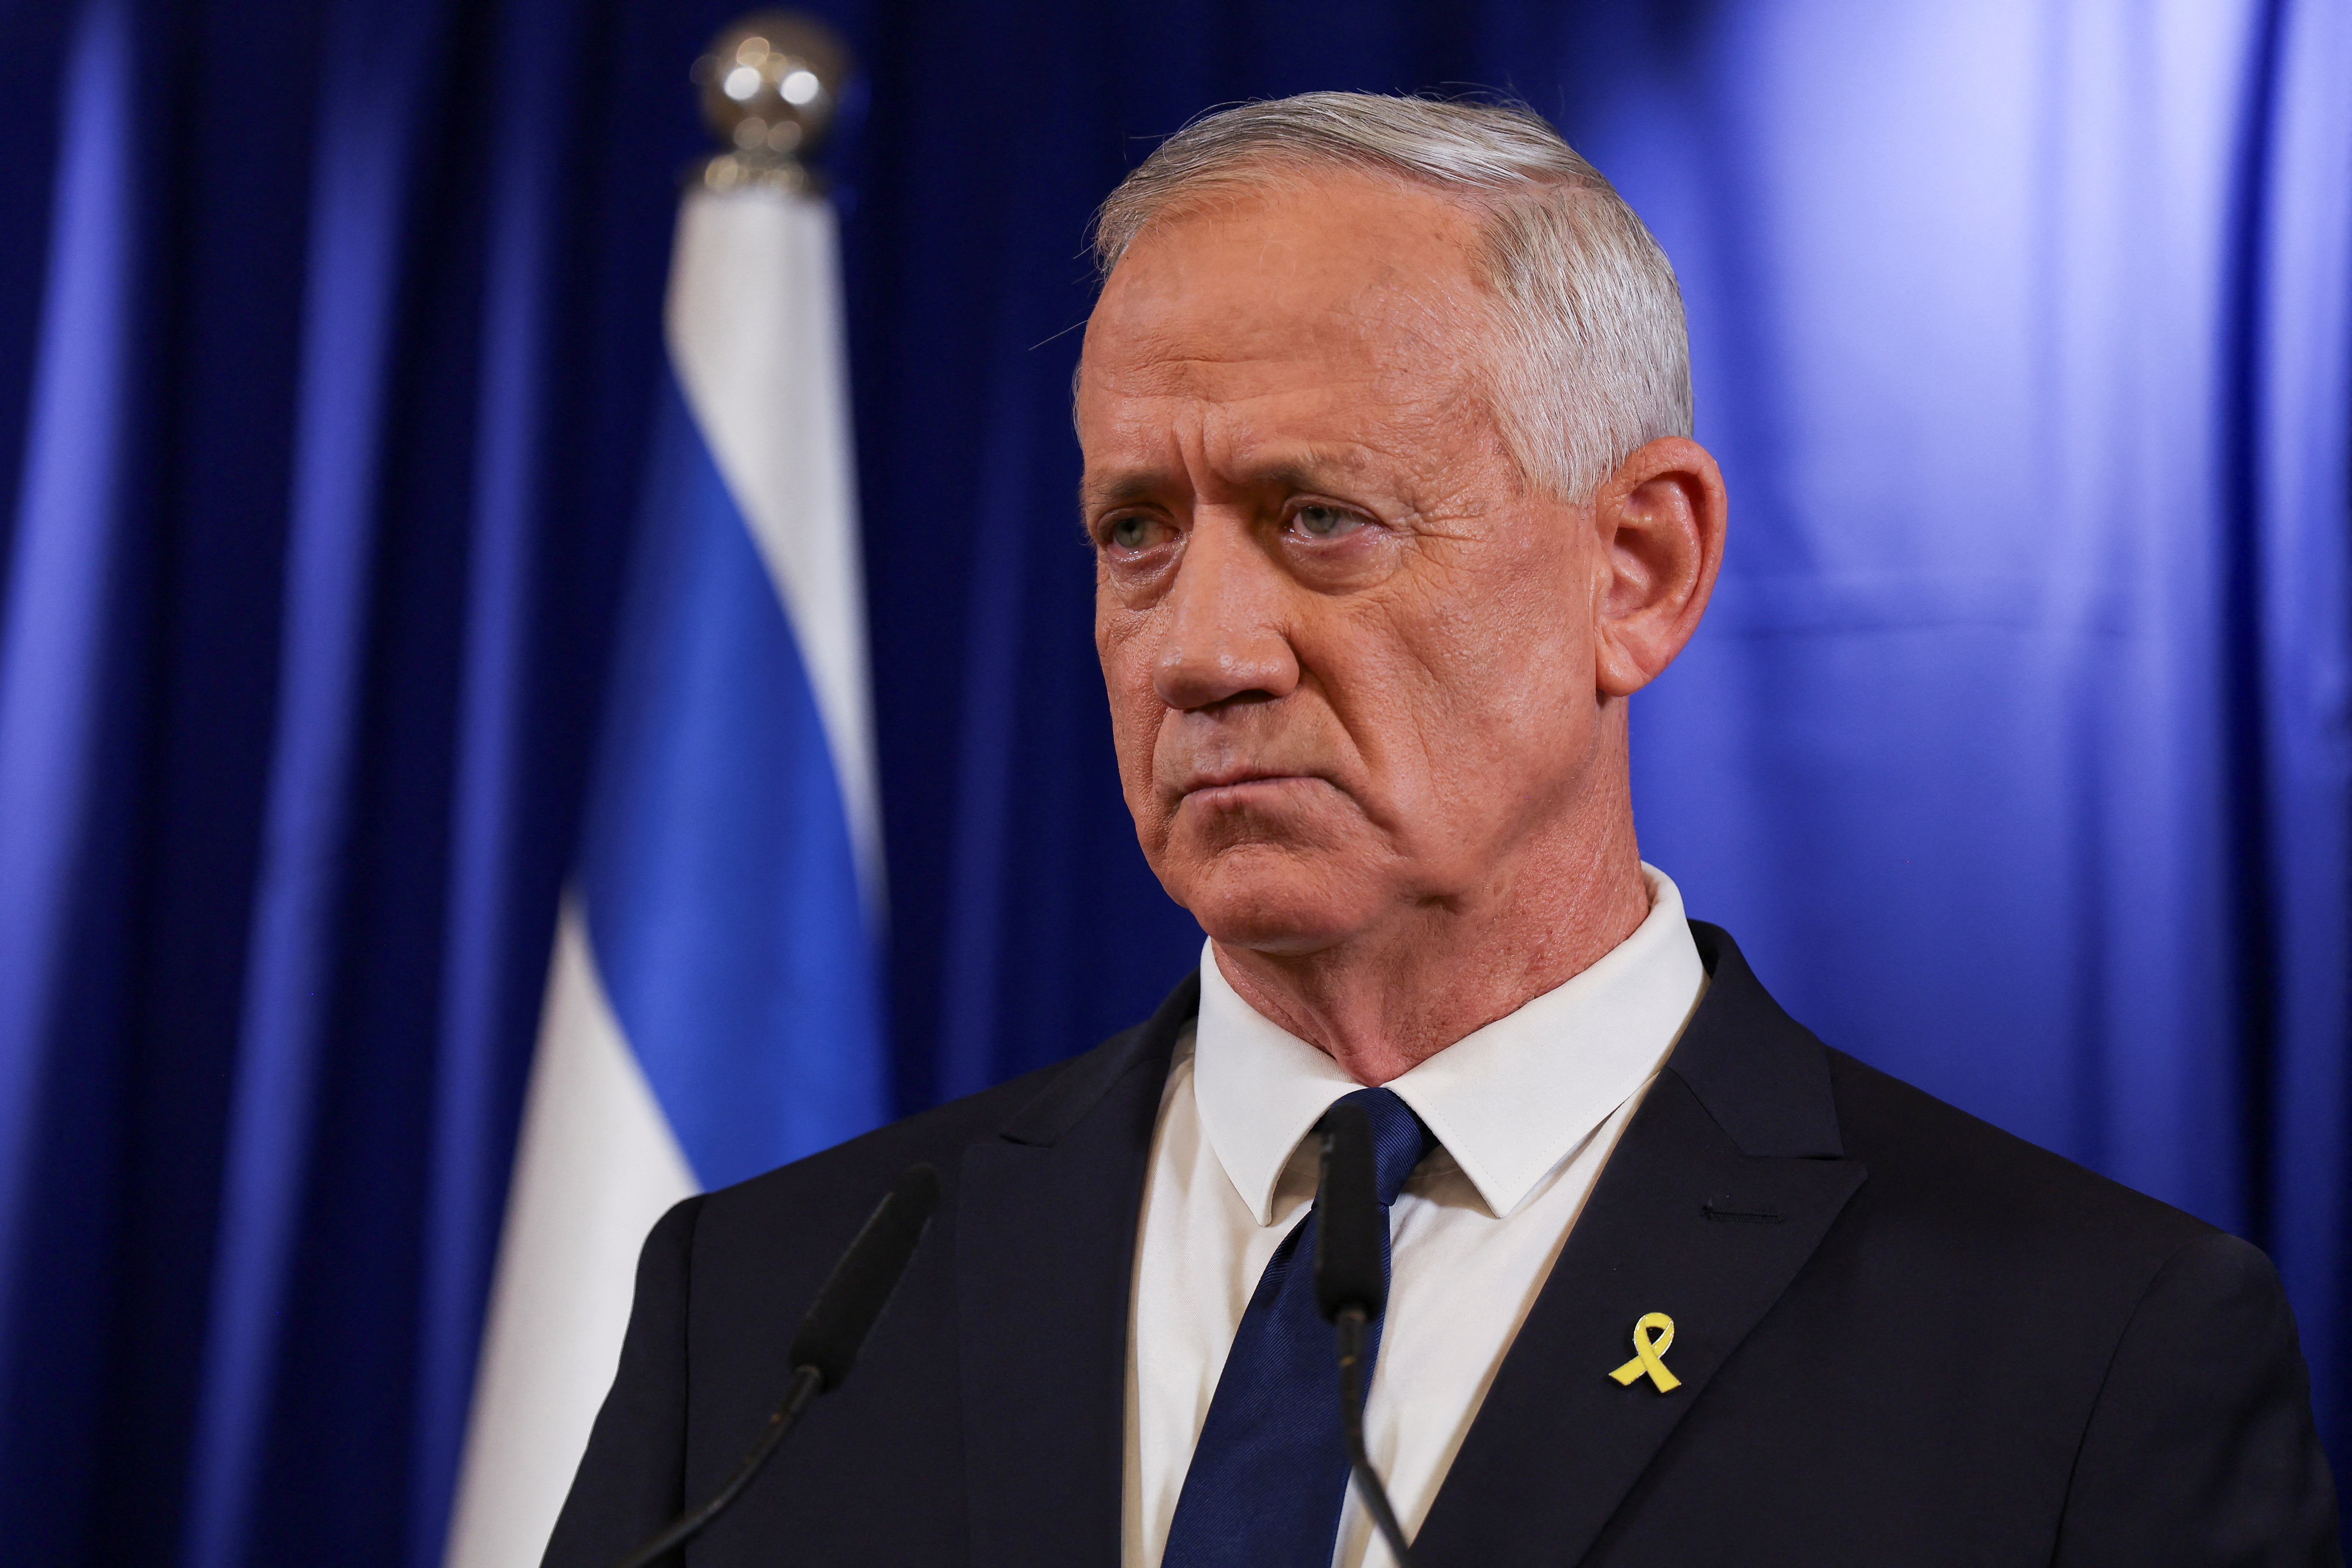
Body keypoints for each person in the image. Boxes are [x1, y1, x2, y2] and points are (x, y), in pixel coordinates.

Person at [542, 93, 2340, 1568]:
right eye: (1136, 531)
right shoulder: (778, 1315)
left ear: (1633, 571)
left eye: (1317, 517)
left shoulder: (2077, 1352)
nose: (1202, 651)